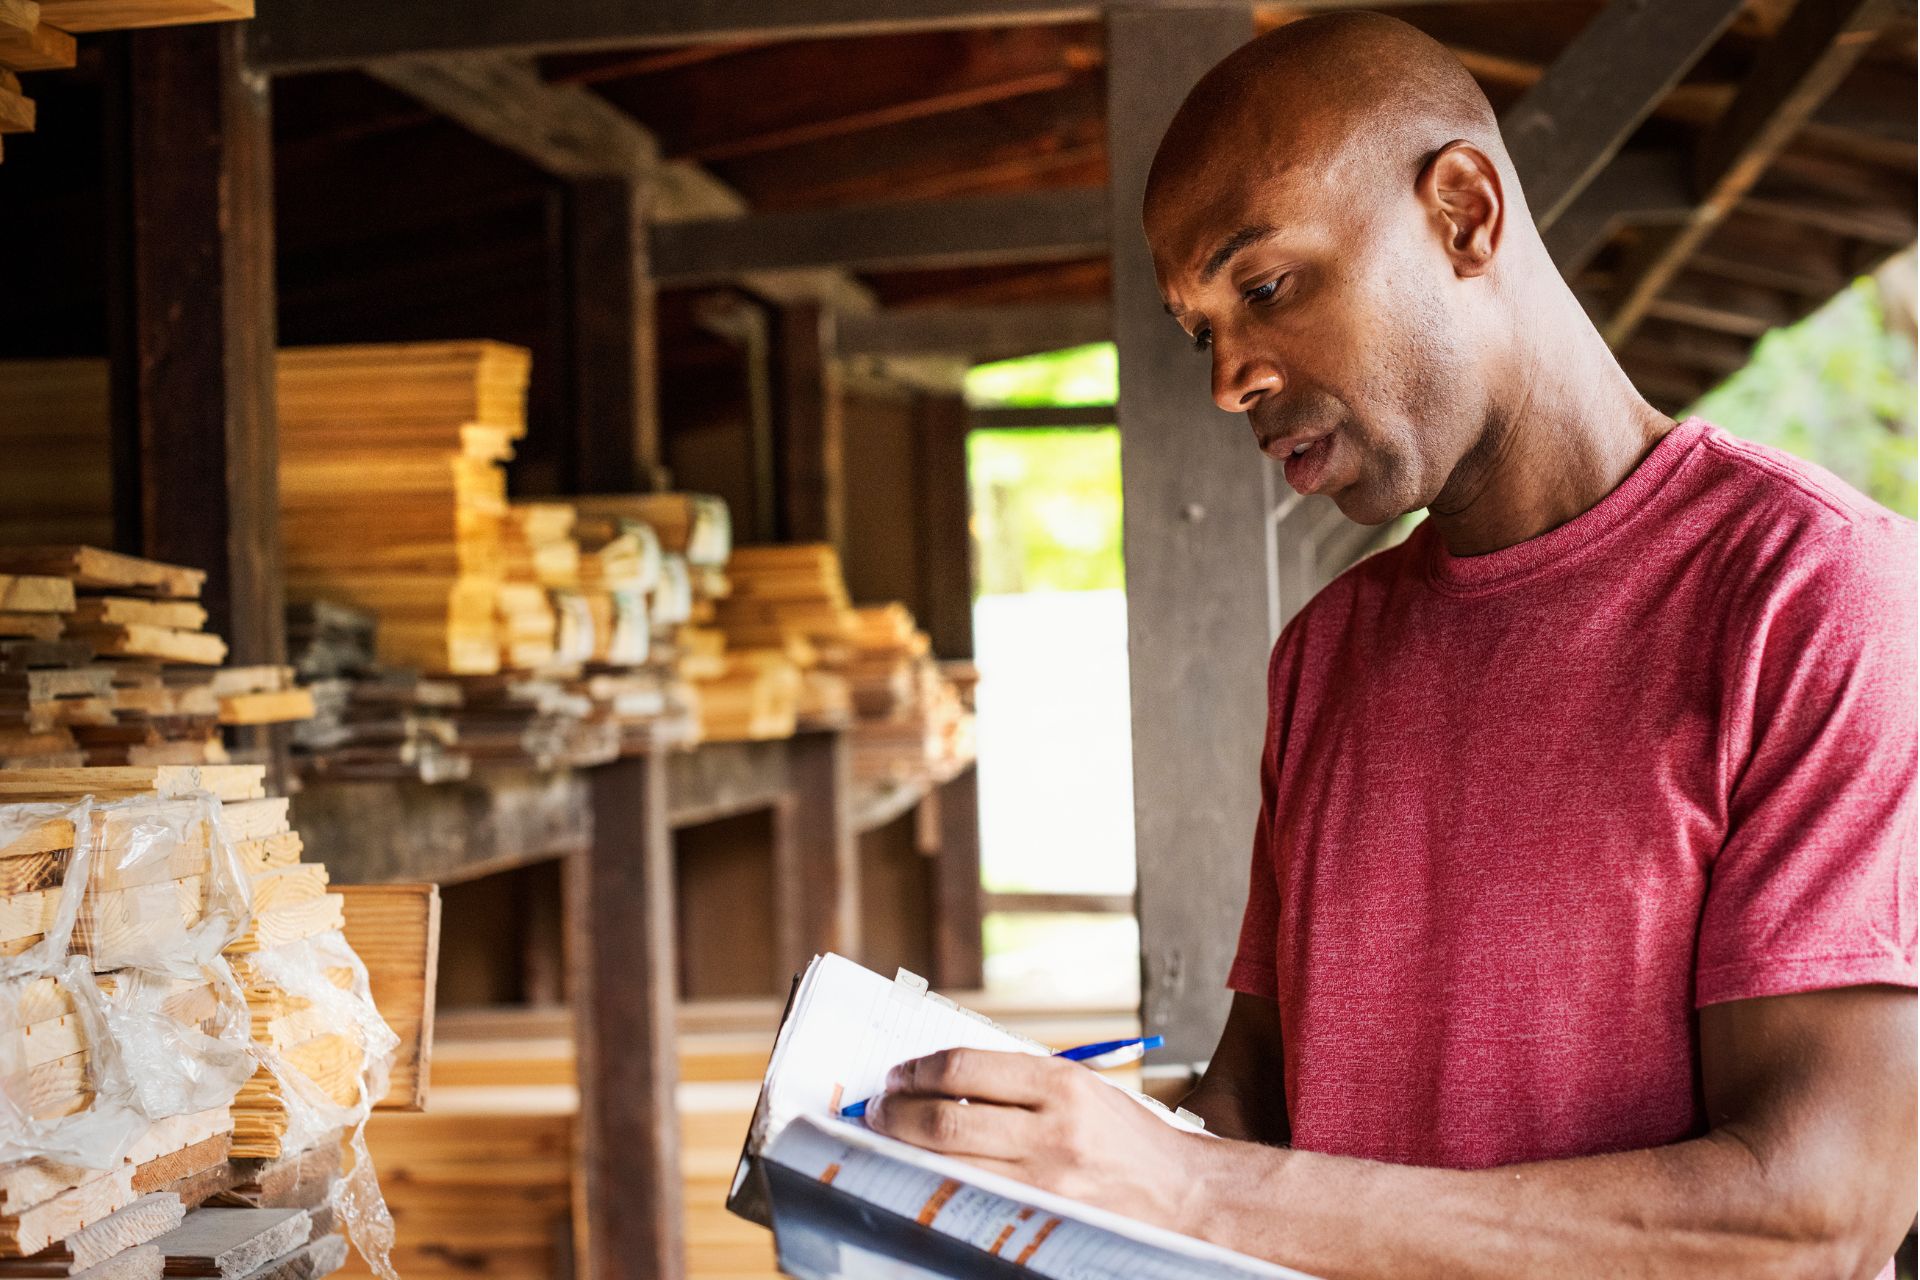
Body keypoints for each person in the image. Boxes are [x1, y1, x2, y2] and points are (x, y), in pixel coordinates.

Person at [863, 12, 1918, 1277]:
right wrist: (1026, 1158)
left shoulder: (1810, 591)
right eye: (1204, 329)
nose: (1228, 378)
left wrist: (1199, 1188)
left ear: (1466, 214)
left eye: (1261, 287)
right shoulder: (1329, 652)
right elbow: (1256, 1117)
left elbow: (1818, 1211)